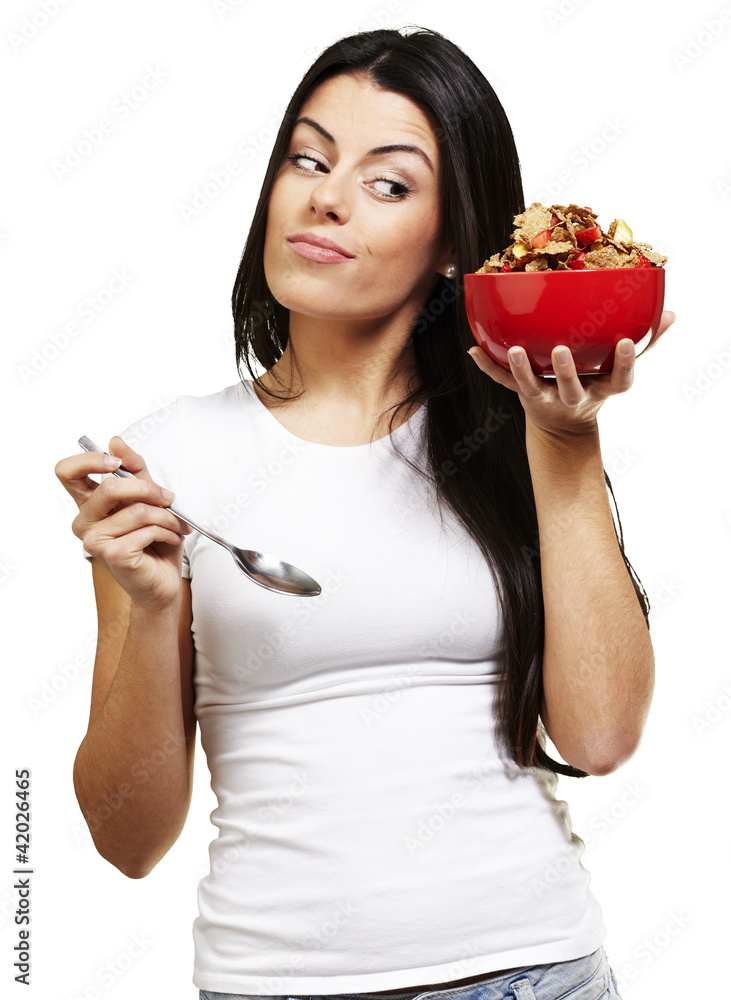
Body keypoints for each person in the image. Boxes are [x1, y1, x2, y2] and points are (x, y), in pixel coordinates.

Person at [55, 25, 674, 1000]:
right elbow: (127, 840)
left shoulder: (519, 433)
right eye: (306, 158)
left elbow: (599, 736)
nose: (325, 197)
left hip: (531, 973)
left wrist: (566, 444)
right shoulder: (163, 465)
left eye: (387, 183)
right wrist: (154, 605)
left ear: (452, 246)